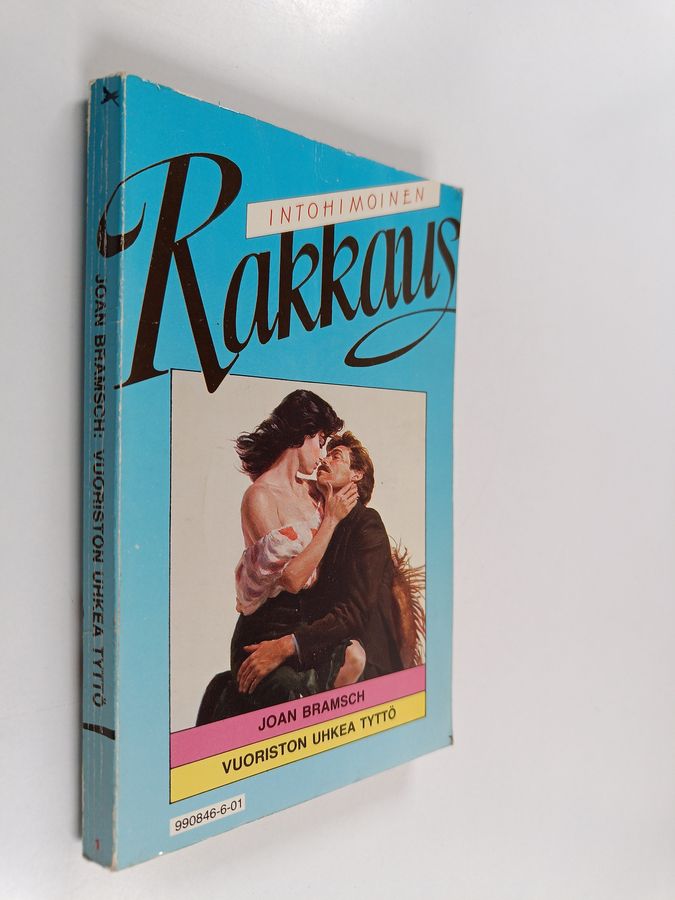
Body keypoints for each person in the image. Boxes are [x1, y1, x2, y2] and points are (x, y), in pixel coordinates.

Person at [235, 431, 404, 697]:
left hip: (362, 661)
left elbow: (354, 612)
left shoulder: (365, 523)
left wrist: (287, 645)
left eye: (336, 456)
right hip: (317, 646)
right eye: (326, 454)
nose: (324, 460)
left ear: (357, 475)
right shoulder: (322, 520)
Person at [226, 391, 365, 712]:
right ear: (303, 434)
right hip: (264, 632)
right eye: (321, 441)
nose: (322, 454)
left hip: (305, 627)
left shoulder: (313, 490)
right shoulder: (259, 496)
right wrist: (330, 519)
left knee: (355, 656)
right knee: (292, 696)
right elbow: (291, 579)